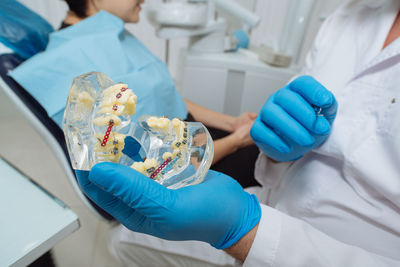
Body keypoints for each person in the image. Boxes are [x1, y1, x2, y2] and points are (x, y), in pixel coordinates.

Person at [76, 0, 400, 266]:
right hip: (276, 194)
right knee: (121, 241)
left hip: (323, 247)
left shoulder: (126, 42)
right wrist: (279, 151)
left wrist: (245, 229)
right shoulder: (349, 16)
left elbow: (170, 93)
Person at [9, 0, 260, 187]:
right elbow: (152, 169)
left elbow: (165, 94)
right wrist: (235, 141)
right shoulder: (67, 65)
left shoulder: (112, 33)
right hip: (176, 166)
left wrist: (232, 123)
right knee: (264, 162)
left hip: (192, 139)